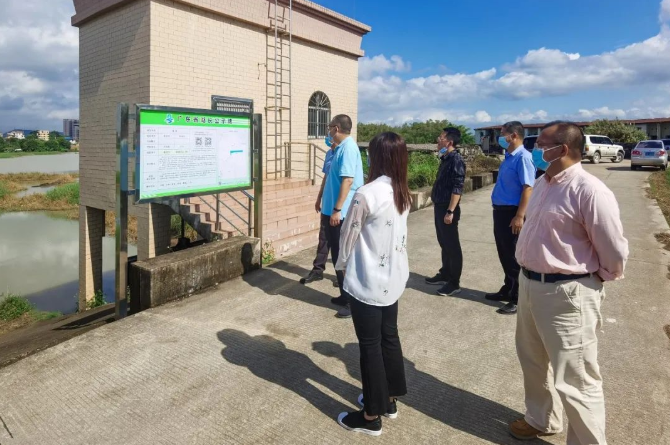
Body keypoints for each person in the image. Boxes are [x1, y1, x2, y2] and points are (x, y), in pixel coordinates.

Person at [511, 121, 628, 443]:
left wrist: (593, 279)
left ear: (561, 149)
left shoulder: (589, 190)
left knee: (576, 379)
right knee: (533, 361)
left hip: (568, 293)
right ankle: (541, 418)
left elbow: (613, 249)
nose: (536, 149)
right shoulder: (544, 183)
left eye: (541, 143)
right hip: (531, 285)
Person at [334, 132, 411, 436]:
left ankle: (371, 416)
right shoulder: (400, 191)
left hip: (367, 280)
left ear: (376, 157)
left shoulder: (366, 193)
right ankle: (388, 399)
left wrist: (341, 269)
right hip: (393, 278)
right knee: (388, 337)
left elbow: (348, 238)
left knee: (370, 346)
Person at [486, 121, 535, 315]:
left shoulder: (523, 157)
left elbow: (528, 188)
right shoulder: (509, 156)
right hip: (500, 210)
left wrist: (520, 216)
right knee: (504, 252)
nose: (500, 137)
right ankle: (508, 288)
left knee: (514, 256)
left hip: (512, 212)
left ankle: (517, 298)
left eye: (502, 133)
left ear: (513, 136)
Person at [321, 114, 364, 319]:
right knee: (337, 254)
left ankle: (350, 301)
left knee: (343, 256)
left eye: (330, 128)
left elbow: (348, 180)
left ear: (336, 128)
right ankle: (343, 294)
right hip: (332, 210)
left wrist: (337, 209)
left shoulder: (347, 148)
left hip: (341, 212)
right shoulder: (339, 148)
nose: (329, 132)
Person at [425, 127, 465, 297]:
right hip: (440, 206)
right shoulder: (446, 158)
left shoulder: (456, 159)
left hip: (448, 208)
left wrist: (450, 211)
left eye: (440, 137)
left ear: (449, 141)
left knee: (452, 245)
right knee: (444, 243)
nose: (437, 140)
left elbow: (458, 187)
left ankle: (454, 282)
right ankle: (445, 273)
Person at [299, 136, 339, 288]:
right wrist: (319, 197)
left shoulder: (343, 154)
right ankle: (318, 270)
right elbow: (326, 177)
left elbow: (348, 181)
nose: (330, 140)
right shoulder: (329, 154)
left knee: (339, 243)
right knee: (323, 239)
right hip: (327, 205)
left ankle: (341, 275)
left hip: (339, 208)